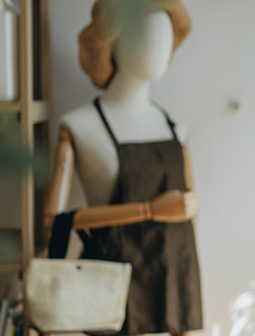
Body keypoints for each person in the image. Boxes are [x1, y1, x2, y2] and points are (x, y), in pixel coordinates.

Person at [44, 1, 202, 335]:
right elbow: (52, 222)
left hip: (174, 281)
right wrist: (149, 210)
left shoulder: (176, 127)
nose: (160, 41)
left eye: (165, 30)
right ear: (109, 43)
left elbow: (191, 214)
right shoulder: (79, 125)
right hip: (110, 285)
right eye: (144, 30)